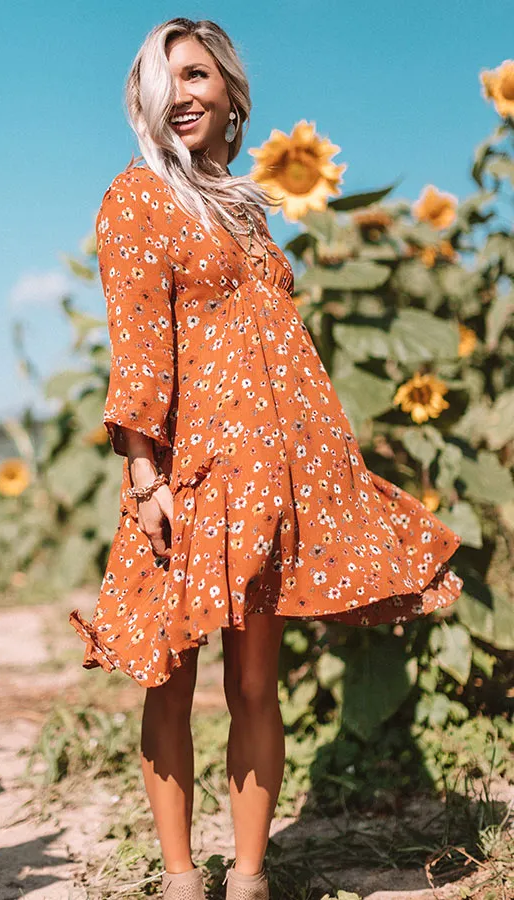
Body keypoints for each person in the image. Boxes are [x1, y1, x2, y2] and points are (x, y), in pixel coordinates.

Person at [69, 17, 463, 900]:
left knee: (256, 684)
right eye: (167, 80)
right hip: (192, 472)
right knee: (171, 675)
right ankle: (179, 878)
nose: (185, 94)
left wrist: (326, 472)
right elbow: (138, 349)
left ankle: (248, 878)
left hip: (279, 473)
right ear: (145, 98)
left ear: (229, 96)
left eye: (200, 75)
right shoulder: (135, 199)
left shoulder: (245, 208)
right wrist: (146, 479)